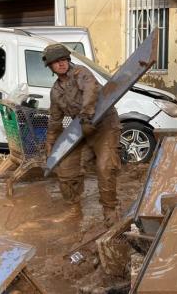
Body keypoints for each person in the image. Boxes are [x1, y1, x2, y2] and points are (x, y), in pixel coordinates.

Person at [43, 44, 122, 227]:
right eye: (55, 62)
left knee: (105, 166)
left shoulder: (81, 73)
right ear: (50, 67)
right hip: (81, 129)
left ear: (68, 60)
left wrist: (86, 116)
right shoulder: (55, 92)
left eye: (62, 60)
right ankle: (74, 208)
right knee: (66, 166)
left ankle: (110, 210)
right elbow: (55, 120)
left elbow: (91, 91)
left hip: (104, 124)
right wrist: (50, 144)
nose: (60, 64)